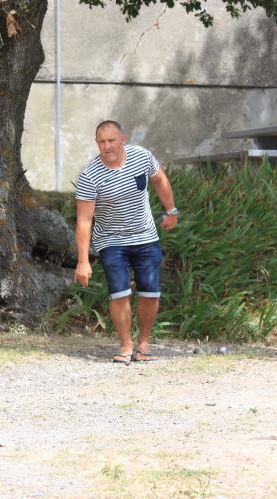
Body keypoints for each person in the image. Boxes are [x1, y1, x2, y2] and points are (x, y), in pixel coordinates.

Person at [74, 120, 177, 365]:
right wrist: (82, 261)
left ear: (123, 139)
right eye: (101, 141)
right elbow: (84, 220)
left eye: (111, 140)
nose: (107, 146)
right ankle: (125, 345)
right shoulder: (90, 176)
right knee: (119, 292)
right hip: (110, 240)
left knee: (151, 292)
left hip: (145, 235)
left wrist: (171, 210)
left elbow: (160, 179)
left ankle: (143, 343)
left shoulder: (142, 157)